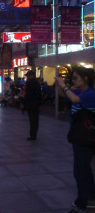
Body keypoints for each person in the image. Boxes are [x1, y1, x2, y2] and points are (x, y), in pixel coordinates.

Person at [56, 67, 95, 213]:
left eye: (76, 78)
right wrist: (60, 85)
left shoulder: (90, 94)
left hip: (86, 138)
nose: (73, 81)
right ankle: (90, 196)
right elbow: (64, 95)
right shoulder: (80, 91)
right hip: (78, 136)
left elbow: (74, 99)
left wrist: (64, 85)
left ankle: (82, 202)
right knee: (83, 169)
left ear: (85, 79)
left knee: (80, 171)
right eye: (72, 78)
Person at [23, 70, 42, 141]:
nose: (27, 77)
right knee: (35, 120)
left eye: (28, 75)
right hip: (36, 104)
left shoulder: (29, 83)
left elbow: (27, 94)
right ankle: (34, 134)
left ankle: (33, 135)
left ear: (31, 76)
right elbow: (39, 94)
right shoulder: (37, 83)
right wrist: (40, 104)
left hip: (30, 104)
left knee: (32, 120)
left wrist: (24, 103)